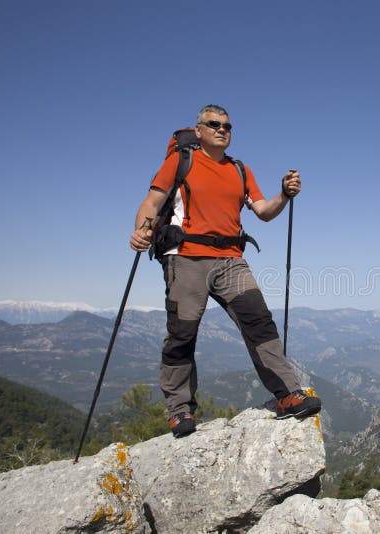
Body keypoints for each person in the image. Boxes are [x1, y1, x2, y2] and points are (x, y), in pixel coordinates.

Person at [129, 104, 321, 437]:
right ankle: (180, 411)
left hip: (231, 258)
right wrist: (142, 230)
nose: (222, 129)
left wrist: (285, 195)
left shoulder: (240, 171)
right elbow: (152, 202)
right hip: (186, 256)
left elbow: (262, 211)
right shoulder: (180, 161)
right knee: (182, 333)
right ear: (199, 129)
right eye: (214, 124)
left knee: (259, 321)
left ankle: (287, 394)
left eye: (228, 126)